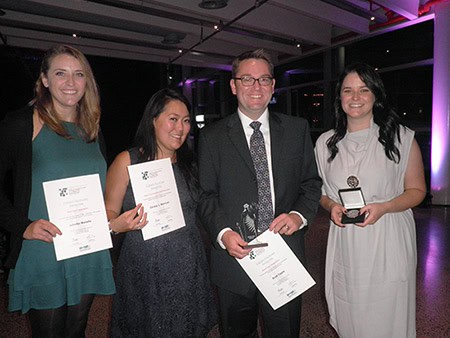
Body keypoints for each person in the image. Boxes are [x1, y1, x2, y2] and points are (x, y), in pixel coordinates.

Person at [0, 44, 126, 336]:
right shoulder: (22, 123)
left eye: (78, 74)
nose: (71, 83)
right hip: (44, 249)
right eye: (60, 73)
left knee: (77, 331)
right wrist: (23, 227)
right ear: (44, 80)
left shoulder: (92, 128)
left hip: (86, 247)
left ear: (87, 81)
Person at [197, 49, 322, 337]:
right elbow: (206, 195)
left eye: (264, 79)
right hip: (234, 259)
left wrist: (298, 215)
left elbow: (311, 184)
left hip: (284, 257)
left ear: (273, 85)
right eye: (247, 79)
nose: (256, 87)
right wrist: (223, 233)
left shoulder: (296, 129)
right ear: (233, 86)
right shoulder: (212, 137)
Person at [314, 62, 426, 338]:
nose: (355, 97)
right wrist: (331, 207)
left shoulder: (401, 138)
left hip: (388, 238)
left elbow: (417, 191)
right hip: (347, 242)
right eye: (348, 90)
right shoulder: (325, 143)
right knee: (351, 311)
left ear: (376, 96)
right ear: (339, 98)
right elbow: (321, 192)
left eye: (364, 90)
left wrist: (385, 207)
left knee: (388, 314)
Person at [105, 88, 217, 337]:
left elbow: (207, 206)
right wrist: (117, 224)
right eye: (173, 119)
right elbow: (109, 211)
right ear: (153, 120)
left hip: (188, 263)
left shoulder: (191, 165)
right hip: (143, 265)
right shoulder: (127, 160)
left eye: (186, 120)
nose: (181, 127)